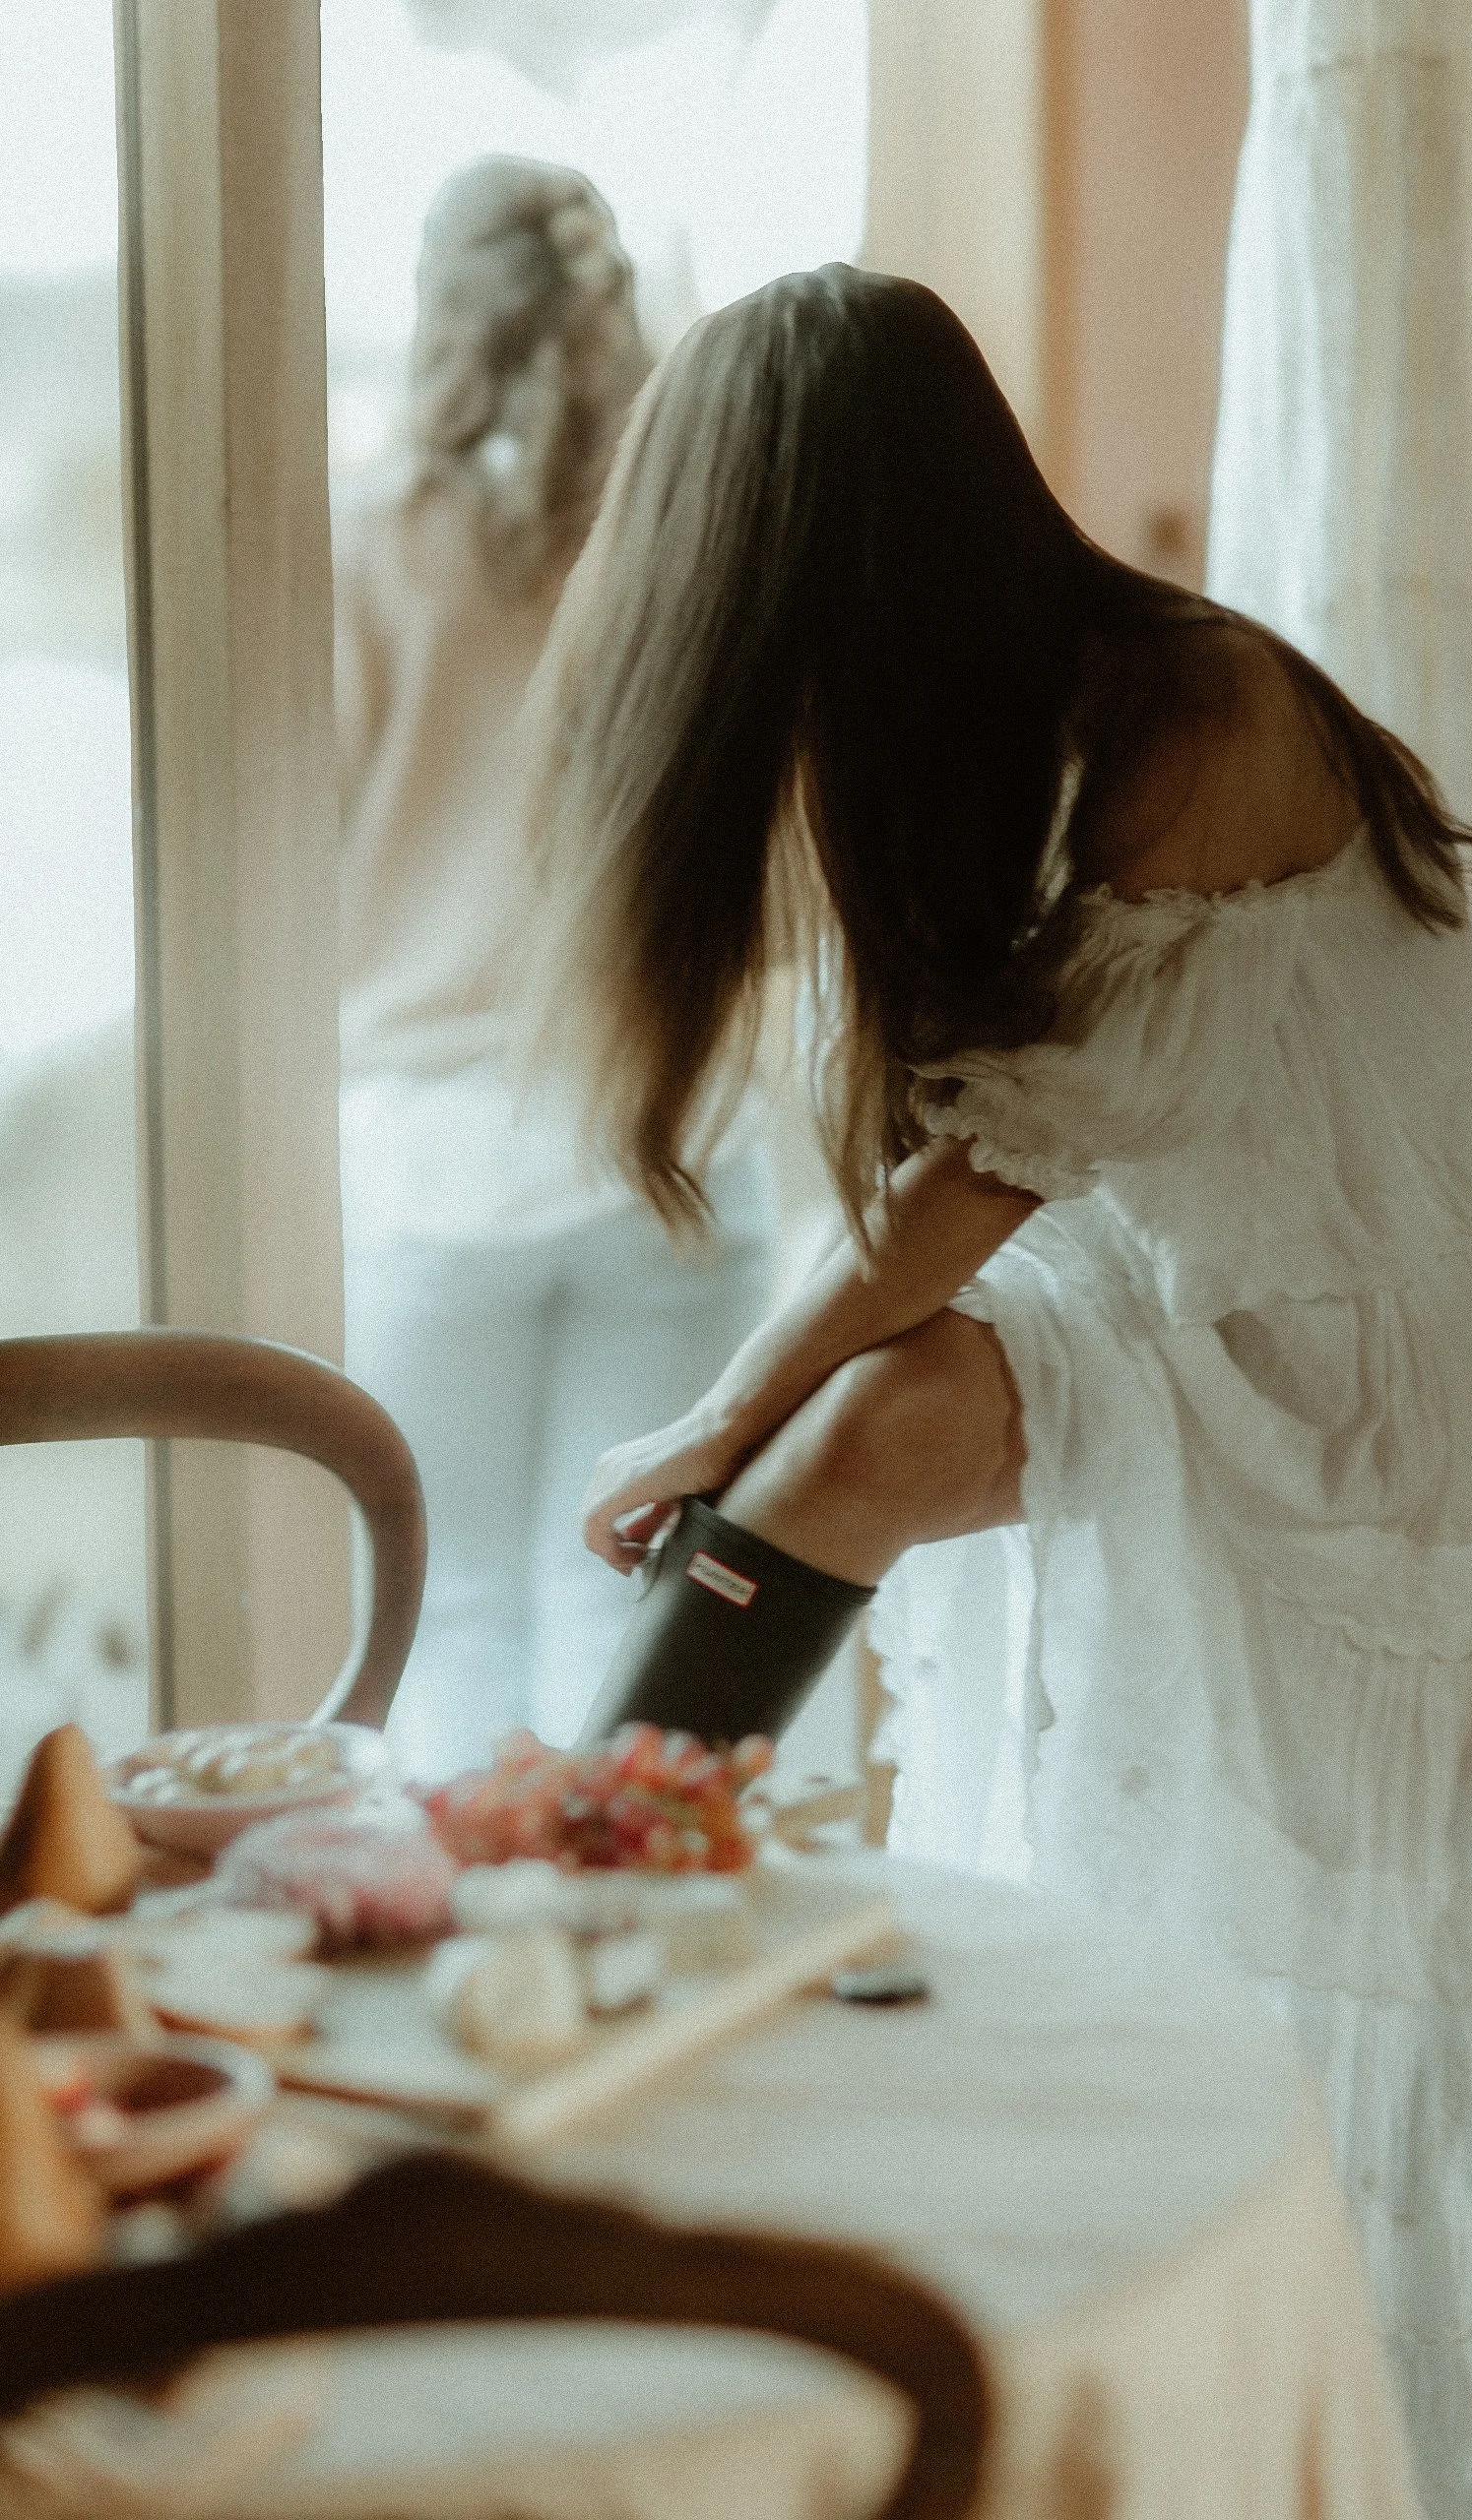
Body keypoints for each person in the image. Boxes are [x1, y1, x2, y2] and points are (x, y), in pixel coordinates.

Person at [515, 265, 1472, 2517]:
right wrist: (735, 1417)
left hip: (1386, 1345)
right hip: (1211, 1259)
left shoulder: (1191, 708)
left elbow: (976, 1178)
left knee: (1306, 1922)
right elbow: (976, 1165)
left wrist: (689, 1430)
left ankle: (586, 1880)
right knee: (852, 1441)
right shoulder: (997, 710)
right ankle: (583, 1875)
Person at [335, 159, 776, 1780]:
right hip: (665, 1126)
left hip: (436, 1146)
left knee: (447, 1610)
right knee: (643, 1591)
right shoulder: (692, 535)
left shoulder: (370, 540)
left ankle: (494, 1950)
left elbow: (297, 843)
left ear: (447, 315)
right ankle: (642, 1933)